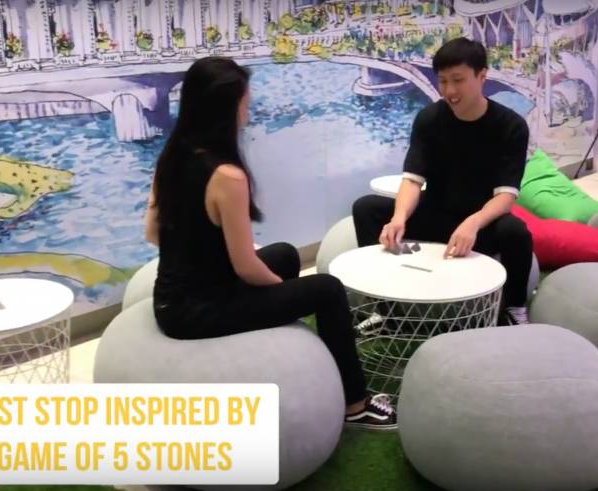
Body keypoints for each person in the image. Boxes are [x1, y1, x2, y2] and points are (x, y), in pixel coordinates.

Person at [144, 57, 396, 430]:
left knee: (284, 254)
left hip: (170, 299)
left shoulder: (172, 156)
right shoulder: (227, 176)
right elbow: (246, 267)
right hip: (199, 312)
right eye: (245, 102)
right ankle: (356, 404)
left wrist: (203, 249)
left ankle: (285, 344)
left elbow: (152, 233)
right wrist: (282, 290)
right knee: (326, 290)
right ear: (227, 109)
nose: (248, 111)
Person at [352, 38, 534, 325]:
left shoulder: (510, 126)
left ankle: (514, 307)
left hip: (480, 224)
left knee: (516, 232)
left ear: (482, 76)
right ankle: (387, 310)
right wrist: (399, 218)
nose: (449, 91)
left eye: (458, 80)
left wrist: (473, 222)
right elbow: (412, 180)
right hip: (436, 214)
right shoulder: (429, 118)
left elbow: (506, 196)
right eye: (443, 81)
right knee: (366, 208)